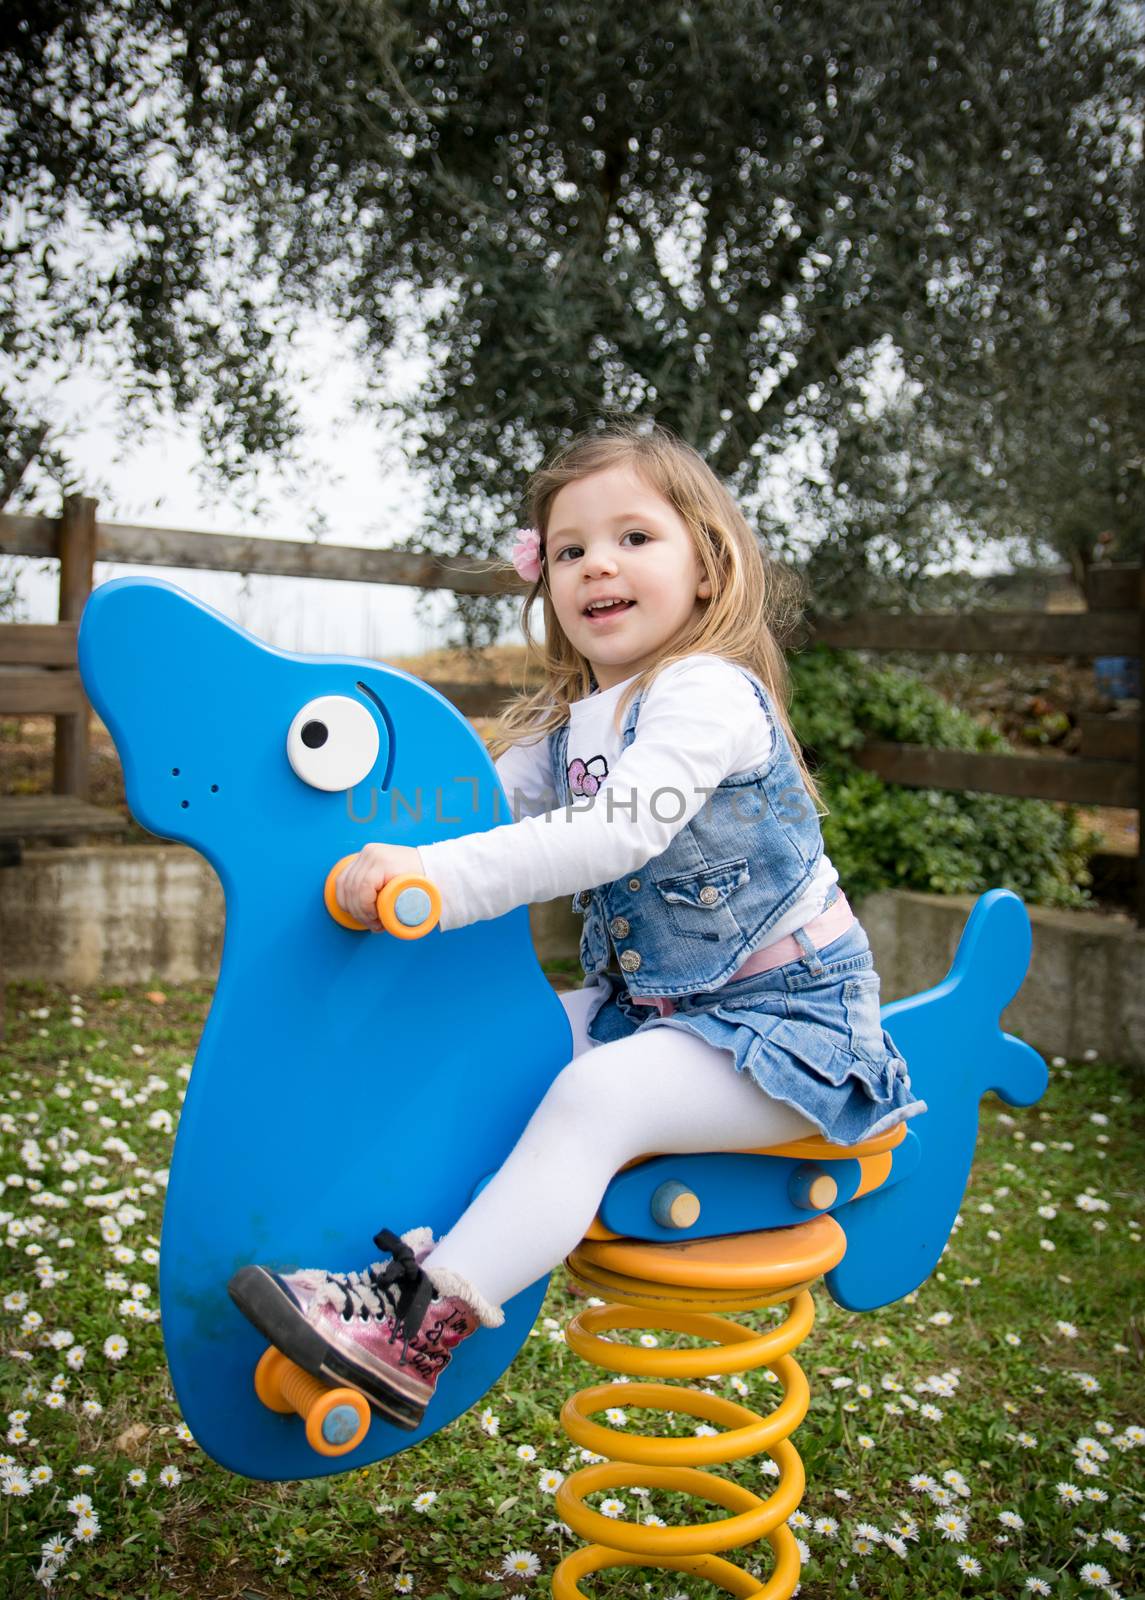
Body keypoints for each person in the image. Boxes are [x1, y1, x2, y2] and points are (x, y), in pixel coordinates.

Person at [228, 421, 925, 1431]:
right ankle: (384, 1252)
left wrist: (430, 877)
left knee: (595, 1097)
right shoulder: (566, 726)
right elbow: (471, 813)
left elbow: (611, 835)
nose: (597, 561)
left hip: (791, 1029)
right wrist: (343, 843)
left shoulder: (707, 693)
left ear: (705, 565)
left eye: (633, 537)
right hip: (656, 1015)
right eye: (567, 549)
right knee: (493, 1047)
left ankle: (416, 1330)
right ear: (546, 582)